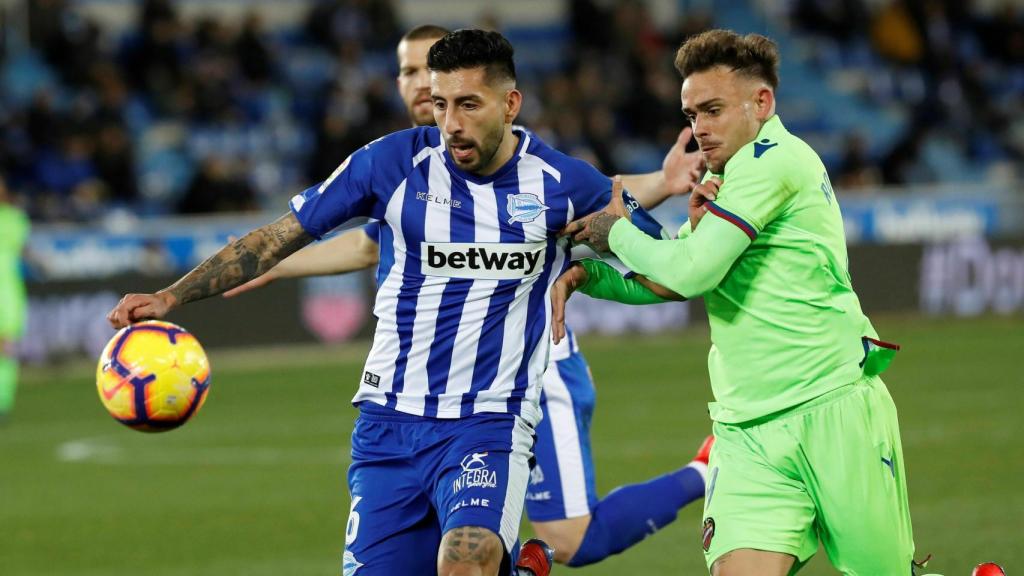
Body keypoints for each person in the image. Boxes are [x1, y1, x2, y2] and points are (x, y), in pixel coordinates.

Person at [106, 29, 669, 576]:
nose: (451, 123)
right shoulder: (390, 164)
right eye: (441, 104)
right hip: (388, 424)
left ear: (510, 104)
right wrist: (171, 295)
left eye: (469, 104)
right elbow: (277, 238)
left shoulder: (564, 183)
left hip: (488, 421)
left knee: (464, 561)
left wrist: (600, 261)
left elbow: (668, 267)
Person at [552, 30, 915, 575]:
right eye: (692, 114)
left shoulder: (776, 161)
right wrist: (593, 275)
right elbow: (676, 276)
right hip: (746, 431)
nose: (700, 127)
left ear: (761, 102)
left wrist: (616, 232)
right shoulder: (727, 176)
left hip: (831, 409)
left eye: (713, 110)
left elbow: (692, 270)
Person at [0, 178, 30, 422]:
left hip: (7, 290)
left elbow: (22, 249)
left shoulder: (14, 218)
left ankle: (3, 402)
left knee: (5, 346)